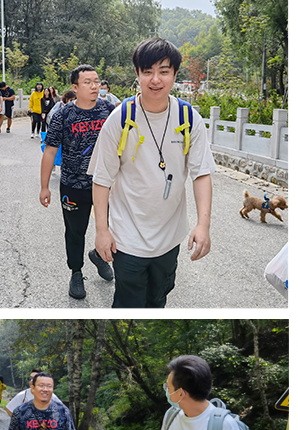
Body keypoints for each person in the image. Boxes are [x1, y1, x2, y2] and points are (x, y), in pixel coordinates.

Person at [89, 37, 216, 308]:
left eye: (163, 71)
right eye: (147, 72)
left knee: (159, 300)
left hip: (170, 237)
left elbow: (201, 174)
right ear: (137, 74)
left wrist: (203, 225)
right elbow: (101, 180)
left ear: (174, 74)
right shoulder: (120, 119)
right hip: (127, 236)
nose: (155, 80)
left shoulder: (189, 118)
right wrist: (102, 230)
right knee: (128, 303)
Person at [41, 64, 115, 301]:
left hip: (105, 185)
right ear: (75, 87)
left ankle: (100, 256)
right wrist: (44, 186)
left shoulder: (109, 110)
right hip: (73, 185)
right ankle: (76, 271)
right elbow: (50, 151)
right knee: (75, 232)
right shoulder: (63, 114)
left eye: (96, 81)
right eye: (87, 82)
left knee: (111, 227)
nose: (94, 86)